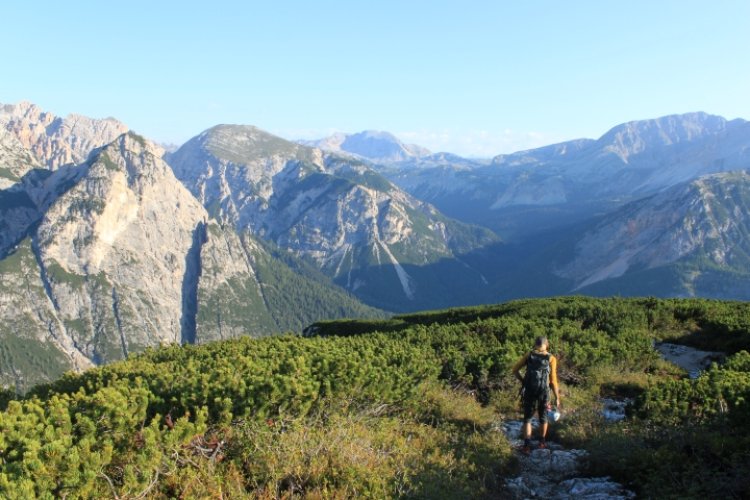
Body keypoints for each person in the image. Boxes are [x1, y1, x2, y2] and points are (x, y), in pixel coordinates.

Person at [512, 336, 561, 453]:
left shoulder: (529, 355)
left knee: (527, 418)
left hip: (529, 390)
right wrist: (557, 397)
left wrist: (523, 381)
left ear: (535, 344)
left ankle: (526, 446)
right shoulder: (551, 358)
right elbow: (553, 380)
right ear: (546, 344)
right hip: (544, 392)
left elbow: (515, 370)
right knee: (543, 417)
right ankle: (542, 443)